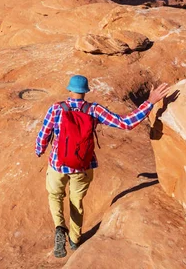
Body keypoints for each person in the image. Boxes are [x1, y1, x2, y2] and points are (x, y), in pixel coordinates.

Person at [35, 75, 170, 258]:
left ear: (69, 90)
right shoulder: (94, 110)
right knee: (77, 202)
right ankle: (75, 240)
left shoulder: (57, 108)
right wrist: (150, 102)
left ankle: (60, 227)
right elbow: (126, 123)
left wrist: (39, 149)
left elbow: (44, 133)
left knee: (55, 195)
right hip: (82, 166)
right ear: (85, 92)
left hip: (58, 164)